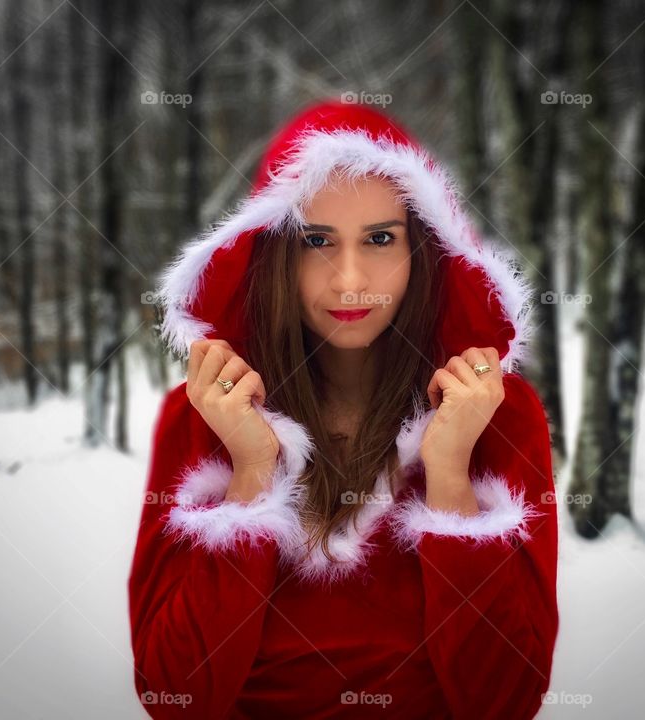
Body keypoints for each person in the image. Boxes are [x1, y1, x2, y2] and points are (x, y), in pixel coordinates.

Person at [127, 98, 559, 719]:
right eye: (315, 241)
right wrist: (251, 475)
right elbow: (174, 696)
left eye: (381, 239)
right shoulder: (202, 415)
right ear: (274, 251)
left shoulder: (495, 414)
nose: (349, 279)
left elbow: (507, 701)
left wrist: (450, 477)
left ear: (424, 250)